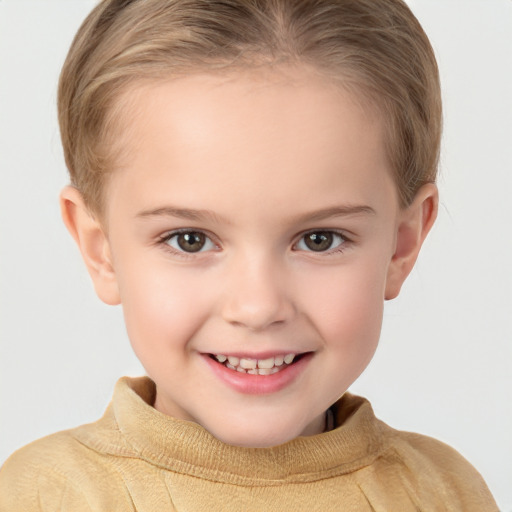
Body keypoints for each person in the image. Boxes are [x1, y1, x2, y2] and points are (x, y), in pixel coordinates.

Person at [0, 0, 499, 509]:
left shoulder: (444, 493)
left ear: (404, 242)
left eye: (319, 239)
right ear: (99, 247)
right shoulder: (43, 495)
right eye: (189, 239)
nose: (258, 307)